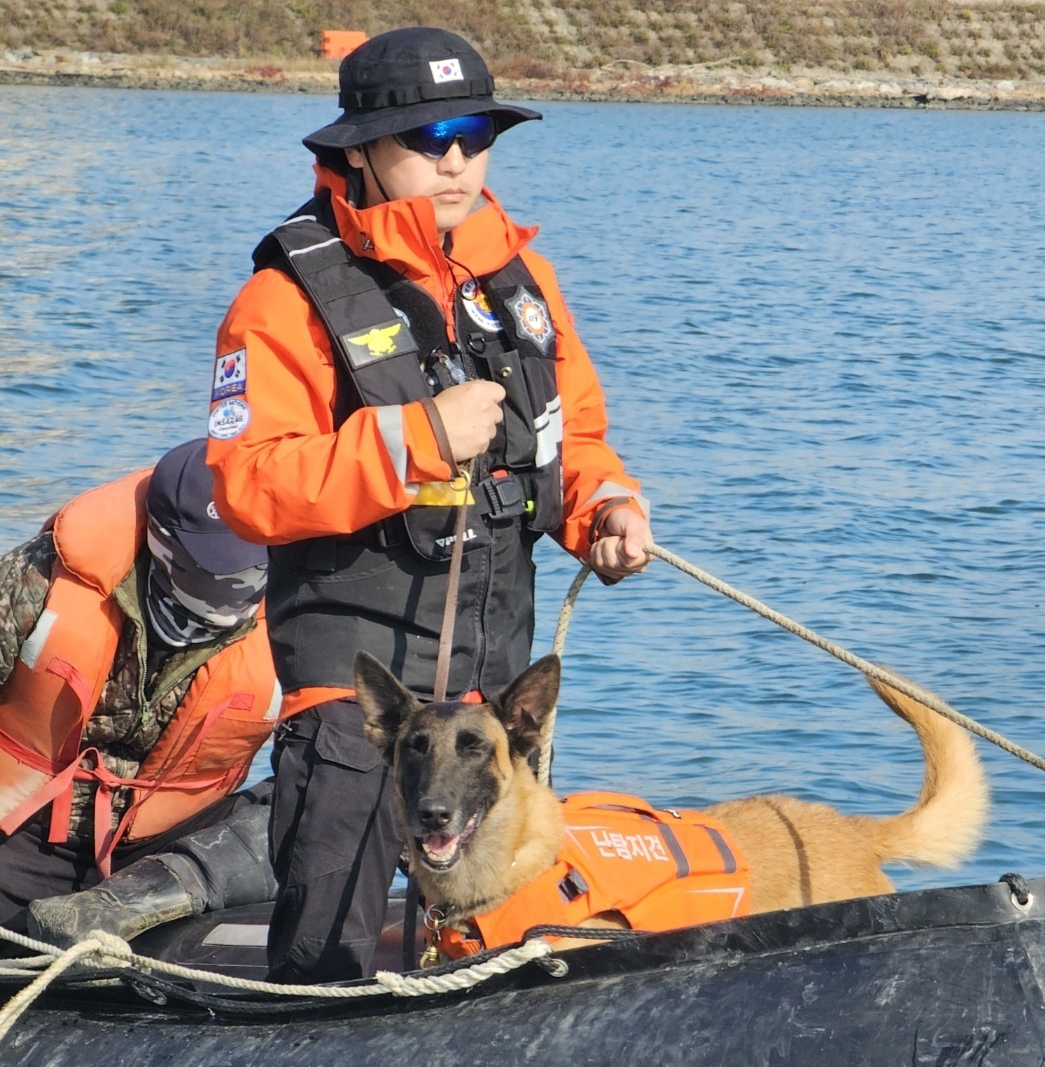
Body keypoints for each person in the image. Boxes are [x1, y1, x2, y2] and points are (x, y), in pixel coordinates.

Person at [205, 26, 652, 983]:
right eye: (427, 136)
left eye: (476, 134)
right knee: (329, 960)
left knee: (506, 964)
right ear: (356, 150)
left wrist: (605, 507)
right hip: (359, 701)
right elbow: (247, 485)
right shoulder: (282, 300)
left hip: (494, 715)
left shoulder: (522, 281)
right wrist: (414, 441)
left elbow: (572, 438)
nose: (455, 159)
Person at [0, 439, 280, 946]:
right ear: (161, 541)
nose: (236, 584)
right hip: (22, 838)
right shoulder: (41, 577)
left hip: (176, 849)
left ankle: (133, 902)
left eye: (252, 565)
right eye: (213, 566)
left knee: (334, 800)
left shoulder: (297, 615)